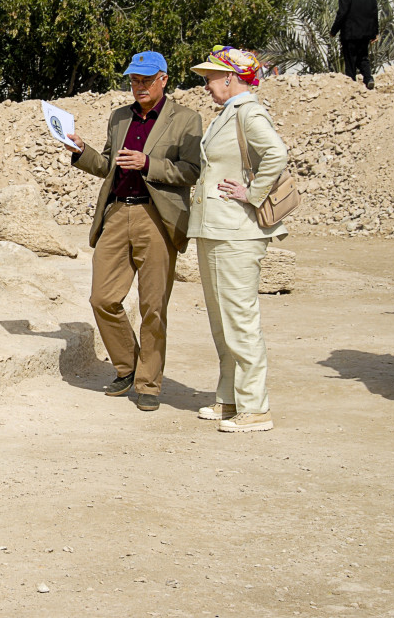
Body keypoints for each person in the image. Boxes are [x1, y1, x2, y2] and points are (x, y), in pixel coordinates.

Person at [65, 51, 202, 412]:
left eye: (145, 80)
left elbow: (190, 171)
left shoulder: (186, 119)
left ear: (164, 80)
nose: (138, 86)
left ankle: (149, 383)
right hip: (116, 213)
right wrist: (82, 151)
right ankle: (127, 366)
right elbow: (108, 165)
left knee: (153, 306)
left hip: (156, 216)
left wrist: (149, 164)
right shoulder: (119, 117)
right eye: (133, 80)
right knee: (102, 299)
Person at [188, 46, 289, 433]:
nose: (207, 84)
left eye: (211, 77)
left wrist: (254, 192)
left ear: (231, 77)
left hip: (237, 232)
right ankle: (229, 398)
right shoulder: (228, 114)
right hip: (216, 228)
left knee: (240, 319)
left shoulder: (249, 112)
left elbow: (276, 154)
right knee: (222, 320)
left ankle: (255, 407)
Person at [330, 0, 379, 90]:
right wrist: (374, 33)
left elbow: (342, 14)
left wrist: (333, 31)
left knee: (350, 61)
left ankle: (351, 86)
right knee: (363, 57)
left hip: (350, 34)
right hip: (365, 33)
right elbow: (374, 13)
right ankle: (369, 79)